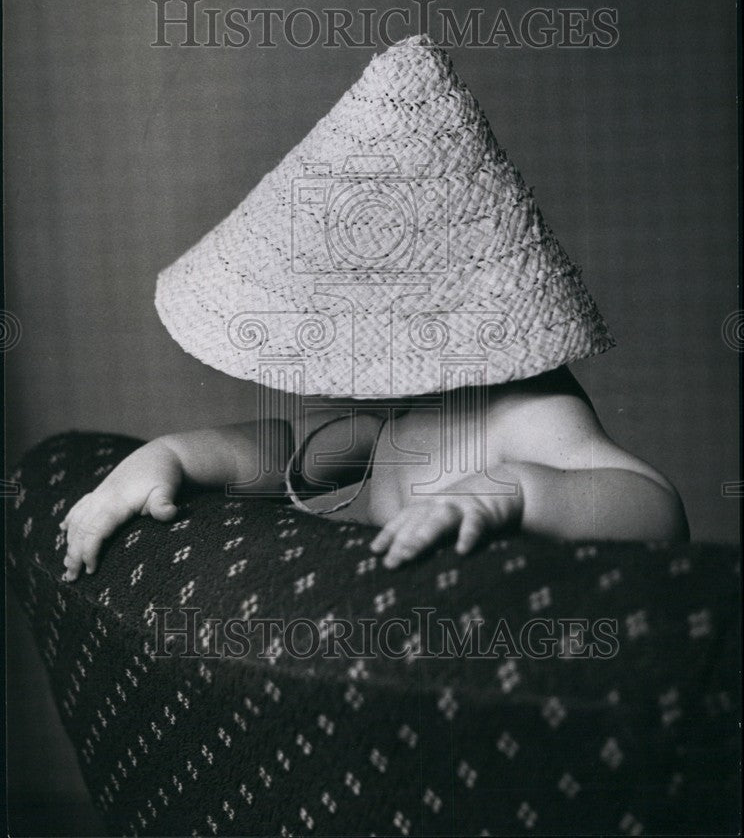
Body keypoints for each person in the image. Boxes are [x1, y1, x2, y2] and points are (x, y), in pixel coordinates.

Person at [60, 36, 688, 581]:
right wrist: (167, 456)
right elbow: (281, 453)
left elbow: (654, 508)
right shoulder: (394, 410)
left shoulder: (527, 411)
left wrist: (506, 495)